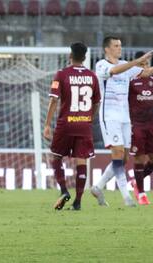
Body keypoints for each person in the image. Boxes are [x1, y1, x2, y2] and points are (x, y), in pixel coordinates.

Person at [91, 36, 153, 207]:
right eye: (115, 45)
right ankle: (126, 197)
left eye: (120, 45)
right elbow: (115, 71)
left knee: (124, 157)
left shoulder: (126, 65)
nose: (119, 48)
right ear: (107, 49)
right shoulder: (102, 65)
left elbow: (145, 73)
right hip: (110, 116)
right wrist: (137, 61)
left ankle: (98, 186)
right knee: (118, 154)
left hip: (125, 118)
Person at [43, 42, 100, 211]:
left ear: (70, 55)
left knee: (56, 157)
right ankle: (78, 202)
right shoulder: (92, 76)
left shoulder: (61, 74)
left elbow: (53, 100)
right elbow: (96, 102)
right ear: (84, 57)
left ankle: (63, 190)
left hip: (66, 124)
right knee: (81, 160)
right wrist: (89, 118)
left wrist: (47, 124)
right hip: (84, 125)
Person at [128, 51, 153, 205]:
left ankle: (135, 182)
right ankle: (142, 194)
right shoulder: (130, 80)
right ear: (136, 65)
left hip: (151, 124)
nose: (144, 67)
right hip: (135, 124)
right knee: (139, 157)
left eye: (146, 64)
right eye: (141, 64)